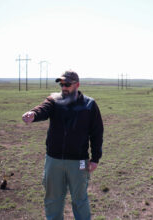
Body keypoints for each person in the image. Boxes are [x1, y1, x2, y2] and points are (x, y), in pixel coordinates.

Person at [22, 71, 104, 220]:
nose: (63, 88)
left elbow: (97, 133)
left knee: (80, 200)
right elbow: (43, 109)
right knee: (53, 200)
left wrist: (95, 158)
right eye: (61, 84)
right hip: (54, 161)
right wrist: (33, 114)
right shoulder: (54, 100)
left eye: (67, 84)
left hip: (78, 161)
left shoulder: (89, 105)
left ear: (77, 85)